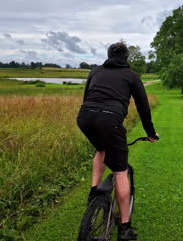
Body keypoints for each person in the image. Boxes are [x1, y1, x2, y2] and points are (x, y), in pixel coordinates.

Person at [77, 42, 158, 240]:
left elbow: (87, 96)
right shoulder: (131, 76)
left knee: (101, 149)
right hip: (110, 120)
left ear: (108, 55)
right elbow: (143, 108)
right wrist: (150, 132)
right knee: (120, 172)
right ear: (126, 57)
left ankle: (94, 192)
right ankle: (125, 228)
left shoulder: (95, 71)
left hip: (85, 117)